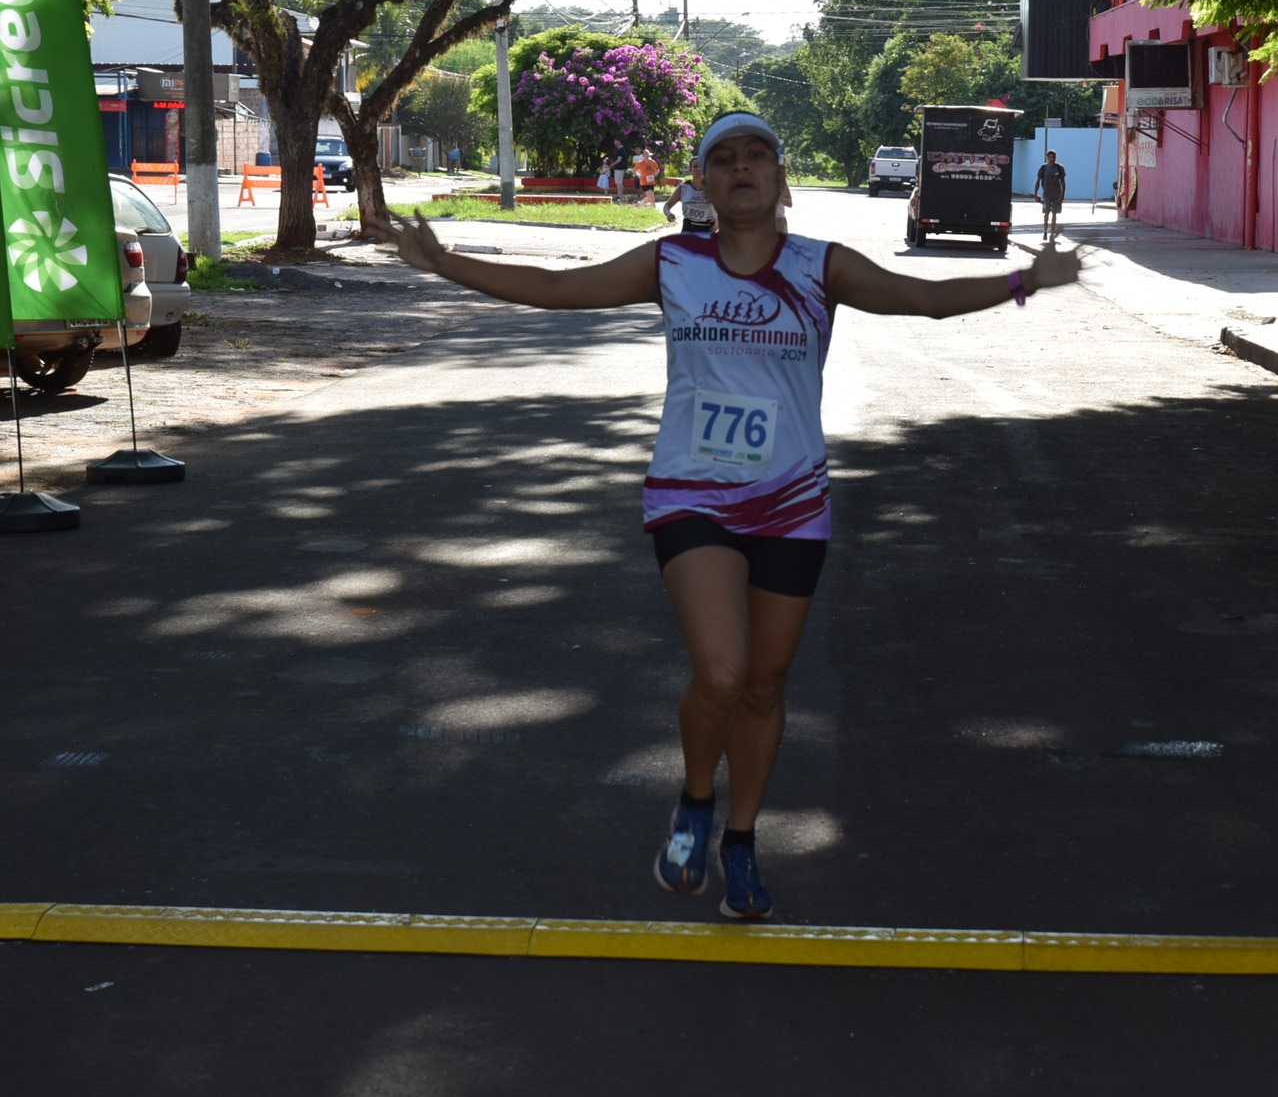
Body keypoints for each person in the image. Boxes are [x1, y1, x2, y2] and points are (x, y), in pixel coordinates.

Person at [374, 112, 1082, 920]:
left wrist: (1026, 279)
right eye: (723, 158)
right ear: (701, 183)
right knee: (720, 670)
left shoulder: (822, 267)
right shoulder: (673, 262)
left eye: (757, 156)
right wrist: (444, 264)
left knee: (766, 681)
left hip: (792, 501)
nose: (741, 168)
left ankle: (741, 841)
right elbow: (559, 290)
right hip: (690, 494)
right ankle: (695, 798)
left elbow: (923, 298)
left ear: (782, 179)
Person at [663, 159, 715, 230]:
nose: (698, 169)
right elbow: (667, 205)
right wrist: (668, 214)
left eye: (701, 166)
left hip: (709, 229)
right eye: (695, 167)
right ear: (690, 170)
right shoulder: (683, 188)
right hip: (688, 228)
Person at [1031, 149, 1067, 240]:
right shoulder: (1043, 168)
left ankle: (1052, 232)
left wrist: (1062, 194)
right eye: (1050, 157)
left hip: (1056, 195)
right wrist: (1035, 194)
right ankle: (1045, 231)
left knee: (1054, 214)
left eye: (1053, 157)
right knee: (1046, 213)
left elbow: (1063, 182)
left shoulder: (1059, 168)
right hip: (1046, 195)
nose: (1052, 159)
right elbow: (1038, 181)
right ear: (1047, 158)